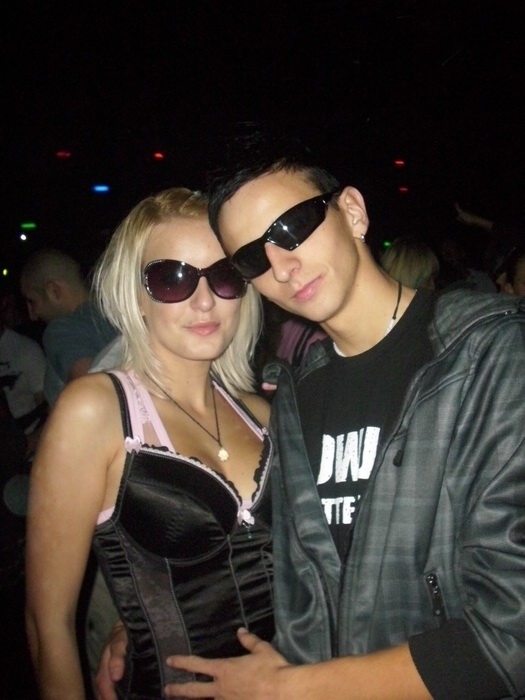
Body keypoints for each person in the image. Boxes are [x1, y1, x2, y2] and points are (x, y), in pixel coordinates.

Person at [155, 131, 524, 700]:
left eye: (292, 227)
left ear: (351, 211)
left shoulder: (490, 356)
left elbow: (511, 636)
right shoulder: (296, 398)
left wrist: (293, 688)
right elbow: (297, 583)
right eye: (252, 257)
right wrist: (148, 623)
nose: (281, 266)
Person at [24, 187, 274, 700]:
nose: (204, 300)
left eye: (224, 275)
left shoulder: (265, 414)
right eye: (171, 278)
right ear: (135, 296)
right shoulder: (95, 411)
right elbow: (48, 624)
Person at [19, 247, 118, 406]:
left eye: (32, 301)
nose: (32, 315)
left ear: (54, 290)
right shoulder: (120, 311)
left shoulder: (62, 329)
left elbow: (92, 392)